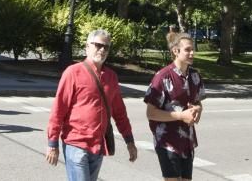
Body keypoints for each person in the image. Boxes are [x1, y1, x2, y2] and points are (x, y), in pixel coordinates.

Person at [46, 29, 138, 180]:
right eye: (98, 45)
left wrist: (129, 141)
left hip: (98, 146)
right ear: (87, 47)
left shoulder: (111, 77)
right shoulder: (72, 73)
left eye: (106, 47)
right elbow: (58, 110)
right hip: (76, 144)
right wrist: (52, 143)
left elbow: (120, 113)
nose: (102, 50)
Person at [144, 32, 206, 181]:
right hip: (167, 142)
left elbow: (198, 102)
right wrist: (181, 115)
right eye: (188, 50)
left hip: (187, 141)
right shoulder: (163, 76)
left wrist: (198, 109)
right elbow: (150, 113)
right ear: (175, 51)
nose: (192, 53)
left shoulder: (195, 75)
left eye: (193, 49)